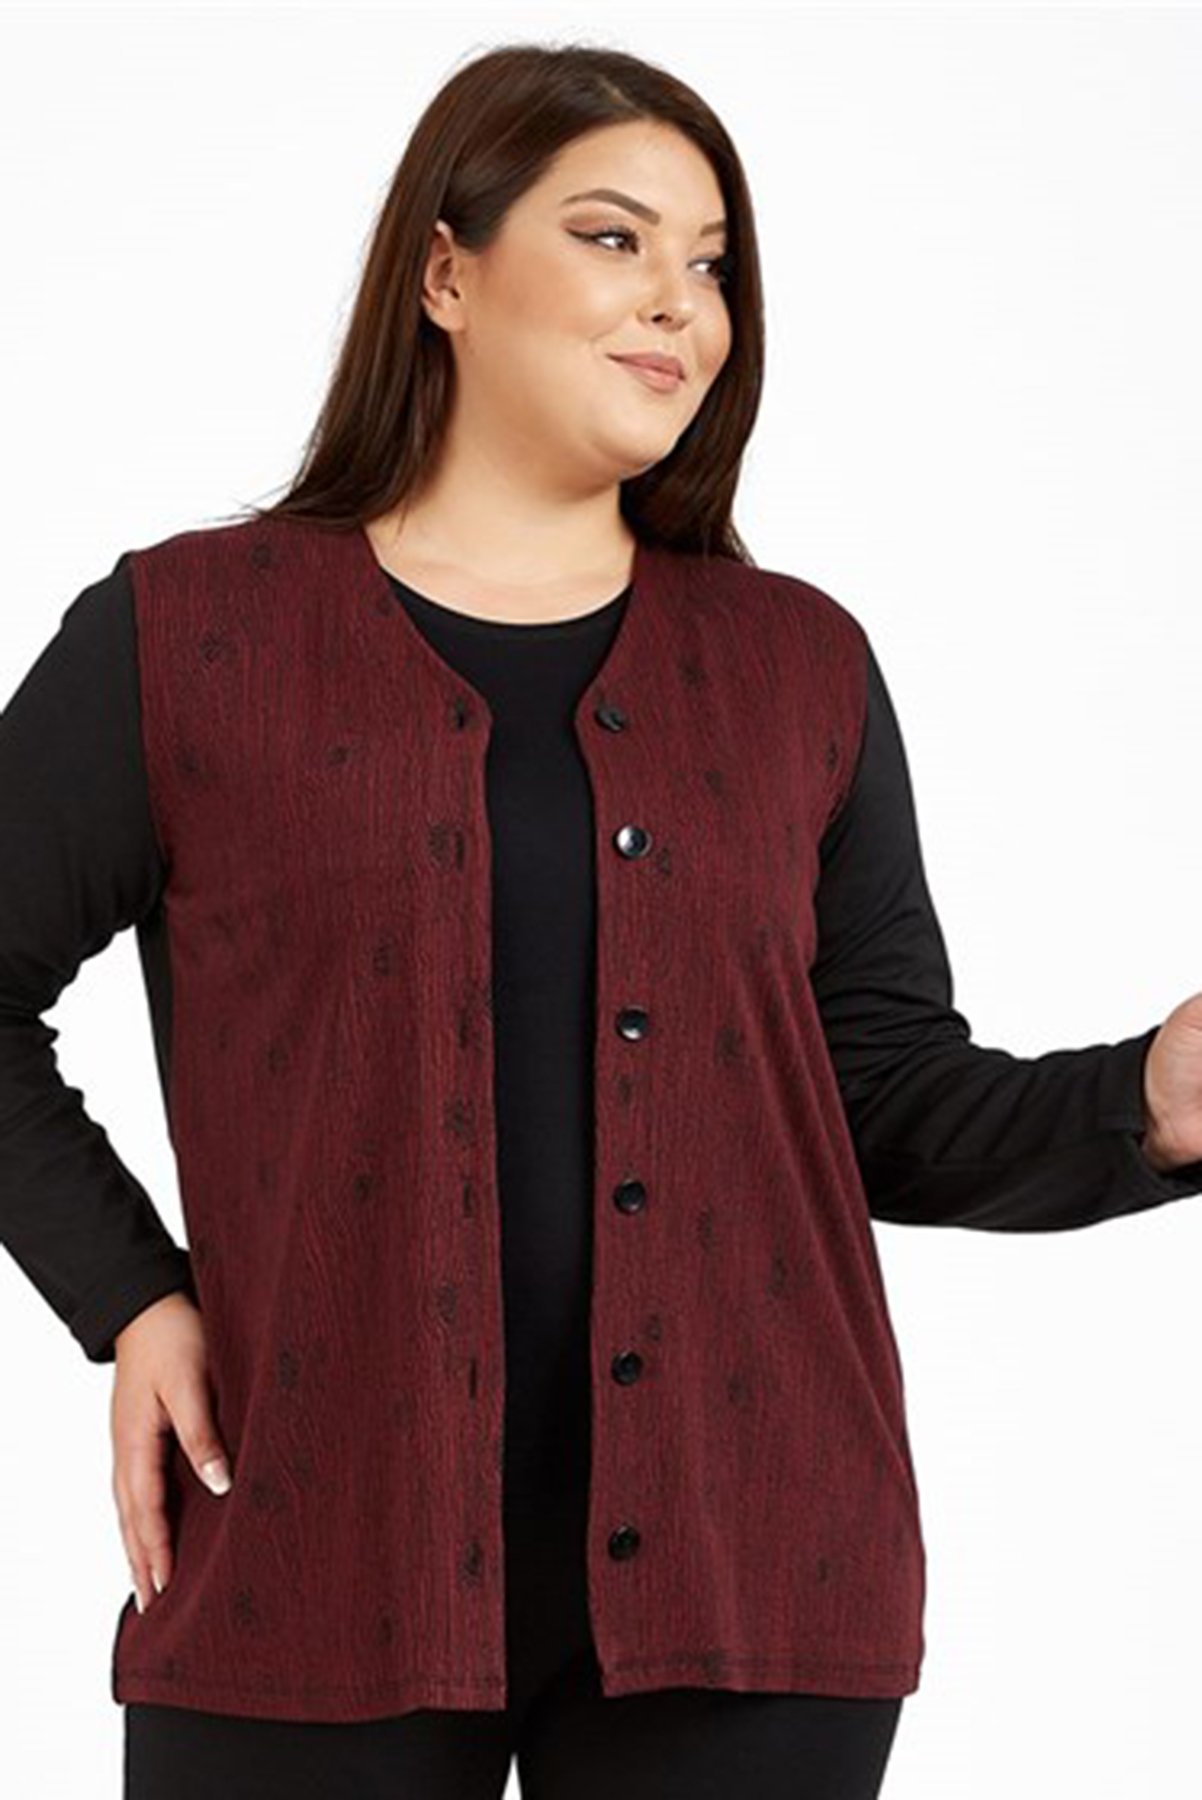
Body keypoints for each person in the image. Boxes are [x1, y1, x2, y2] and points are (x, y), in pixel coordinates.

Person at [3, 40, 1201, 1800]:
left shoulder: (795, 665)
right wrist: (131, 1300)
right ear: (444, 273)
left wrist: (1150, 1101)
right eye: (613, 237)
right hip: (308, 1543)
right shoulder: (188, 637)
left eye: (710, 262)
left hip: (748, 1567)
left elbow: (874, 1098)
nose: (678, 304)